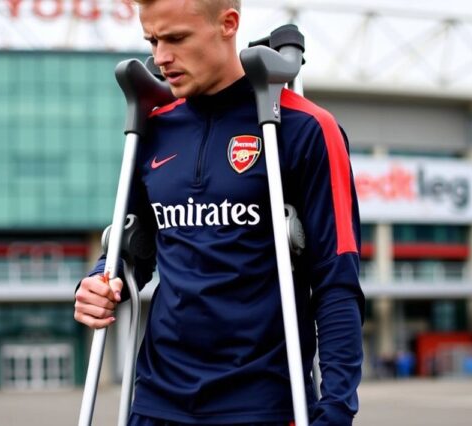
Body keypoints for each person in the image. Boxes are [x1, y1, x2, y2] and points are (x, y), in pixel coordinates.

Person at [74, 0, 364, 424]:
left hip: (261, 405)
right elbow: (134, 250)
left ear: (228, 24)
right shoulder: (152, 129)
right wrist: (103, 280)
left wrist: (335, 411)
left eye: (176, 38)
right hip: (156, 403)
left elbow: (336, 283)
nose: (161, 57)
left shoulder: (305, 128)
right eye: (152, 41)